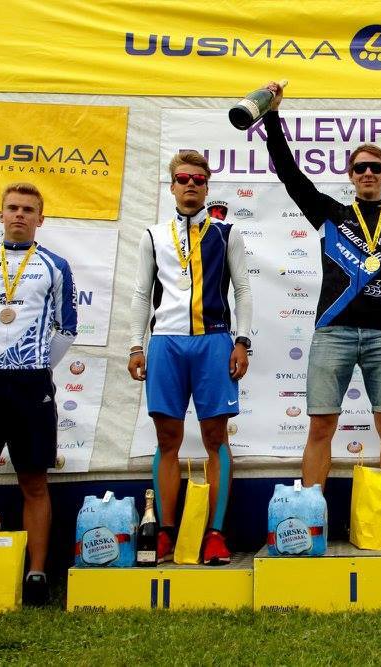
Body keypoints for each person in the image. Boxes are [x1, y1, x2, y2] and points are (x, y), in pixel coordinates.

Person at [260, 81, 381, 549]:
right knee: (321, 425)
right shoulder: (330, 214)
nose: (368, 173)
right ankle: (309, 518)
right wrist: (272, 116)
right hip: (332, 332)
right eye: (361, 167)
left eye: (376, 167)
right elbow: (289, 173)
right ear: (350, 174)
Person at [0, 182, 77, 606]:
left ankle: (36, 575)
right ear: (1, 214)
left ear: (41, 218)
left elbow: (67, 326)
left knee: (34, 481)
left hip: (31, 383)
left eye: (28, 209)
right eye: (13, 208)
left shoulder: (55, 265)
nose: (20, 214)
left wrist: (37, 364)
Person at [129, 150, 253, 565]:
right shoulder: (152, 235)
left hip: (214, 341)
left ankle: (215, 534)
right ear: (172, 186)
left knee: (215, 438)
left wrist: (242, 341)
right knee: (168, 439)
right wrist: (135, 346)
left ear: (207, 187)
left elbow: (243, 290)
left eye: (199, 180)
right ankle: (164, 532)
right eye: (183, 179)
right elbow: (141, 295)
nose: (191, 185)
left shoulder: (226, 232)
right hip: (166, 343)